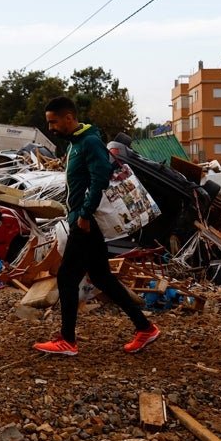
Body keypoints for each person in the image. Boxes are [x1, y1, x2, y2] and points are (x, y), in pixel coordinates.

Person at [34, 96, 160, 356]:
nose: (51, 128)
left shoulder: (89, 142)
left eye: (54, 122)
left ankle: (67, 340)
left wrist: (84, 213)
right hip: (83, 220)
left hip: (86, 222)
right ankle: (145, 327)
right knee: (102, 276)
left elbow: (101, 176)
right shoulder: (76, 144)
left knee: (68, 278)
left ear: (69, 117)